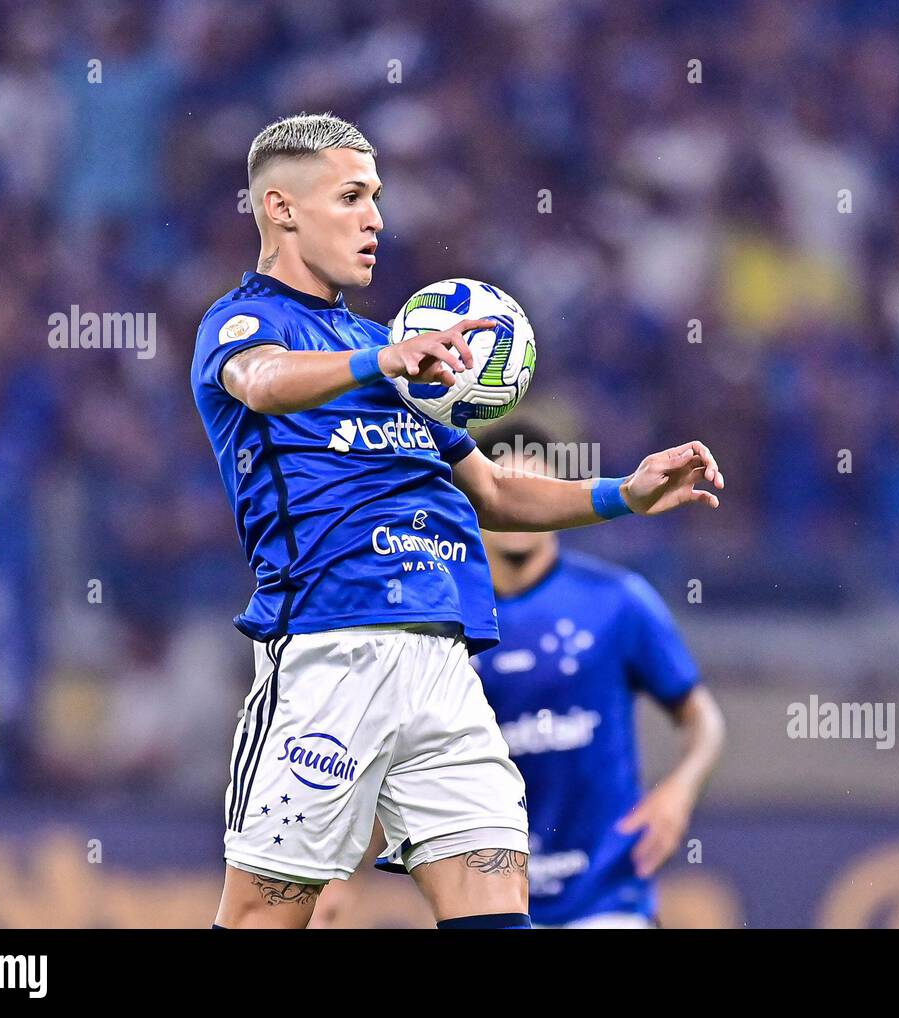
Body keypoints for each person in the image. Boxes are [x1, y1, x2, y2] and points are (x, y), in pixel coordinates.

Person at [189, 113, 725, 929]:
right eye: (352, 196)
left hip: (444, 661)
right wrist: (381, 361)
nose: (376, 218)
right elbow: (262, 384)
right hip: (331, 655)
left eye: (378, 197)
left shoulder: (388, 345)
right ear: (280, 209)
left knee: (497, 903)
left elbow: (498, 494)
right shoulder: (249, 323)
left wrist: (627, 491)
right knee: (266, 913)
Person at [470, 423, 725, 927]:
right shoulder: (446, 617)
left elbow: (704, 721)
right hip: (492, 901)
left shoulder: (617, 601)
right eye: (510, 490)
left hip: (608, 900)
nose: (522, 510)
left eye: (536, 491)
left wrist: (680, 790)